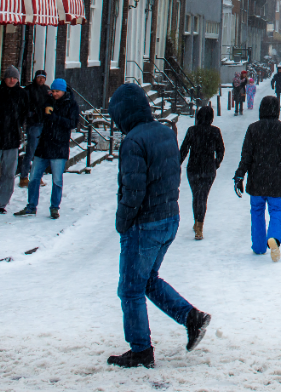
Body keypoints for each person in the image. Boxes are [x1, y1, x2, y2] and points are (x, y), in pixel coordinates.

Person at [106, 83, 211, 369]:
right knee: (148, 280)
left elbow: (133, 190)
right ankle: (192, 318)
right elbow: (170, 174)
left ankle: (140, 350)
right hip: (169, 218)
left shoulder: (133, 141)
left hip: (145, 224)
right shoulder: (166, 132)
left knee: (130, 289)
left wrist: (123, 222)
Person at [234, 95, 281, 260]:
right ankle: (274, 237)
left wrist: (239, 175)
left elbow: (246, 156)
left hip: (256, 178)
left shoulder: (253, 129)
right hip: (276, 178)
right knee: (276, 209)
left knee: (256, 211)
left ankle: (258, 246)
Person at [16, 78, 78, 219]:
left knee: (57, 180)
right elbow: (40, 115)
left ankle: (54, 207)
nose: (54, 94)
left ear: (63, 91)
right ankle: (31, 205)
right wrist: (42, 113)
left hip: (59, 146)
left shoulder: (71, 104)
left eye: (57, 91)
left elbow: (72, 123)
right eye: (53, 91)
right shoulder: (48, 101)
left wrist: (54, 117)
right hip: (44, 145)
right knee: (34, 178)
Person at [179, 104, 225, 241]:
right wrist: (216, 163)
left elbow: (184, 149)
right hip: (208, 168)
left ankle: (197, 222)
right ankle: (199, 225)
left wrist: (177, 164)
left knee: (196, 195)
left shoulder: (192, 131)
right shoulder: (215, 131)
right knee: (203, 196)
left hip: (193, 168)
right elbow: (221, 150)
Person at [0, 66, 28, 214]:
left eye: (14, 77)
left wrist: (17, 125)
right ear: (4, 78)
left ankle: (1, 202)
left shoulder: (22, 94)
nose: (12, 80)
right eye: (9, 77)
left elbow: (25, 112)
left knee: (9, 173)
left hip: (12, 138)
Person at [21, 70, 50, 187]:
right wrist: (31, 114)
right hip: (34, 124)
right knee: (31, 151)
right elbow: (25, 105)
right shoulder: (29, 90)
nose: (41, 80)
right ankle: (24, 177)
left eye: (43, 78)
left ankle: (37, 176)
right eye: (39, 77)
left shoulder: (47, 90)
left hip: (44, 123)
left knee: (41, 152)